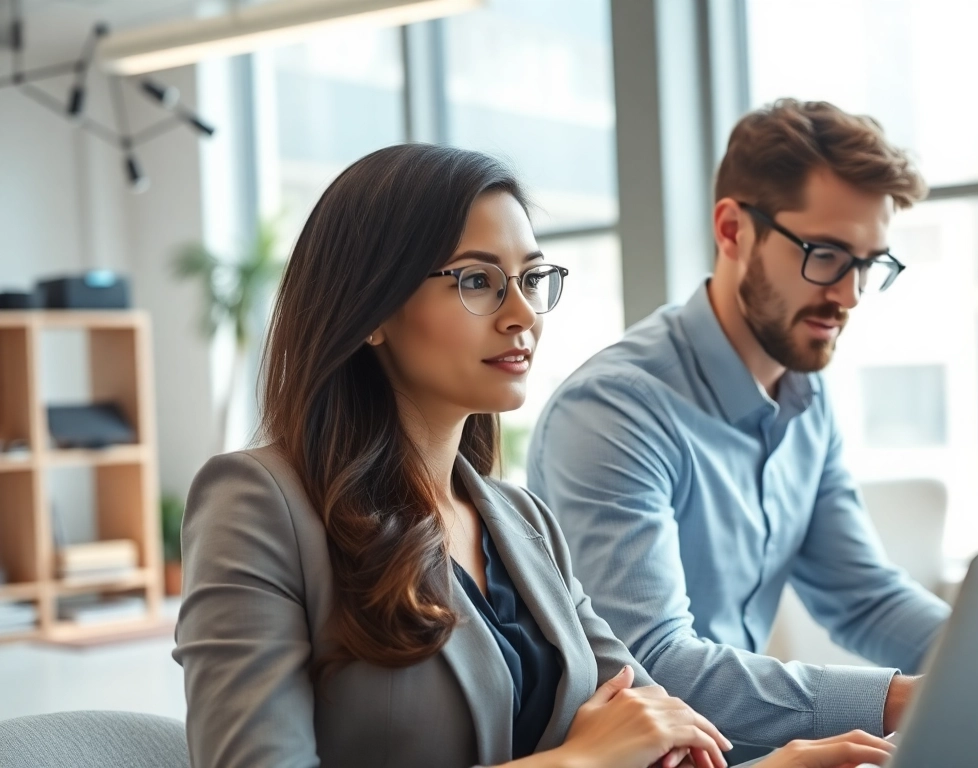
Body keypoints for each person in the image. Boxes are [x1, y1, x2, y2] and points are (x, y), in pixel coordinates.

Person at [172, 144, 893, 768]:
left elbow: (659, 733)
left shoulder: (523, 523)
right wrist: (579, 760)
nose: (522, 314)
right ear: (373, 310)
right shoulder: (258, 504)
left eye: (532, 279)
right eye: (477, 281)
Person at [527, 99, 952, 756]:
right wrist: (897, 697)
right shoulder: (613, 410)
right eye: (826, 254)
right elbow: (652, 665)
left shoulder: (805, 395)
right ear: (732, 230)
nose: (849, 295)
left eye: (869, 264)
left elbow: (862, 597)